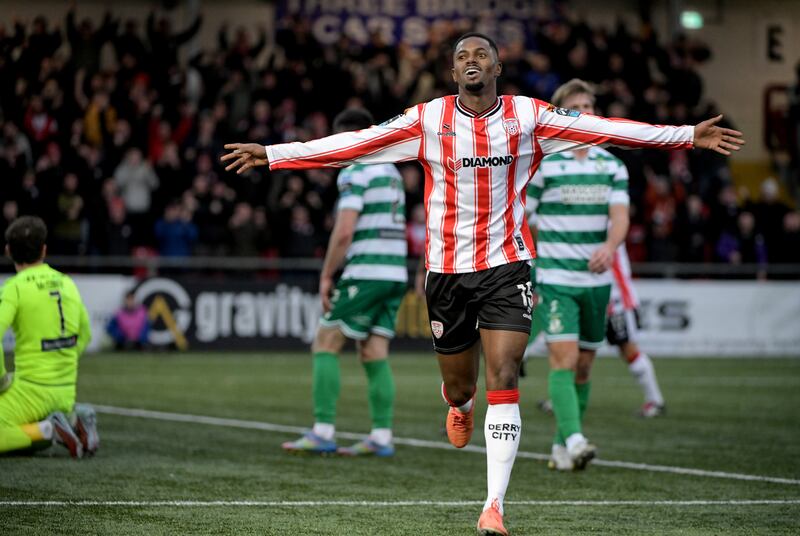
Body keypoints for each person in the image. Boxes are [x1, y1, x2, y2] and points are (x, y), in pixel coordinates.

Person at [221, 34, 744, 536]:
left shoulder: (530, 116)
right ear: (453, 73)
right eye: (462, 55)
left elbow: (607, 129)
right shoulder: (427, 119)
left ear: (497, 69)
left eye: (481, 54)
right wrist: (274, 153)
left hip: (508, 266)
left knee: (505, 372)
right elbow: (355, 144)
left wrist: (684, 135)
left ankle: (494, 505)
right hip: (447, 273)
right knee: (462, 385)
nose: (471, 60)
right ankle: (459, 404)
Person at [280, 108, 408, 457]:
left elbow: (345, 230)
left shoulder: (357, 168)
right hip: (396, 273)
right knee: (373, 351)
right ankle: (381, 436)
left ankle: (323, 430)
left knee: (325, 340)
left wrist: (326, 274)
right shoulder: (391, 171)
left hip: (366, 272)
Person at [0, 216, 97, 458]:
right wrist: (63, 361)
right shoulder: (67, 283)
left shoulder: (15, 287)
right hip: (65, 392)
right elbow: (85, 333)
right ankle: (71, 419)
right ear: (44, 249)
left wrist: (1, 378)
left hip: (29, 394)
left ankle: (48, 429)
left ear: (8, 251)